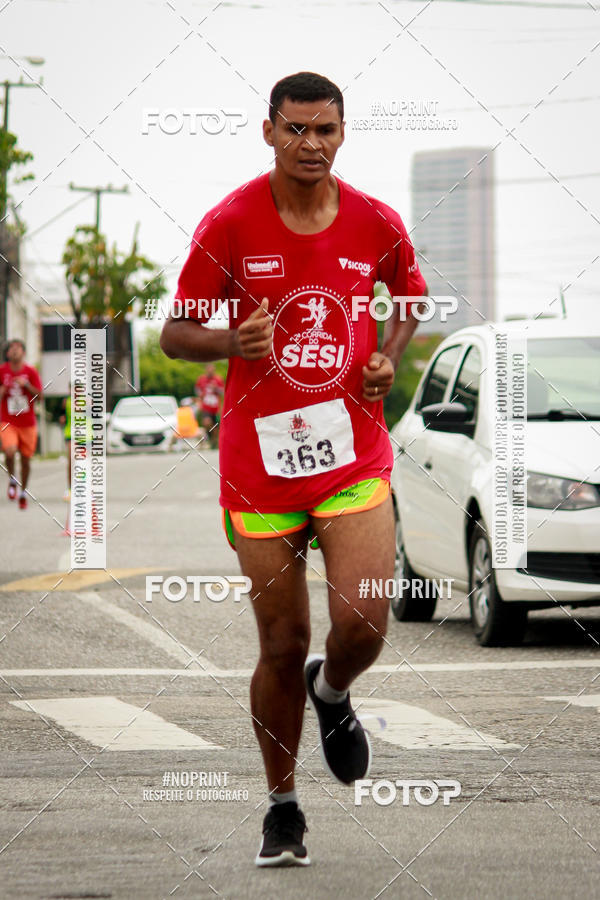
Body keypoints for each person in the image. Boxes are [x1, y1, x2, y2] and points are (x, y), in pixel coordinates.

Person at [161, 71, 427, 867]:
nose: (312, 145)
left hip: (351, 453)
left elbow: (407, 297)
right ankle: (283, 809)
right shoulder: (232, 223)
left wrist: (384, 354)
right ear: (269, 131)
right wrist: (228, 343)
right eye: (297, 130)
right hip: (260, 467)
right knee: (283, 641)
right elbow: (176, 333)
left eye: (327, 131)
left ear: (342, 134)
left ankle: (335, 692)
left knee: (364, 621)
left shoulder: (376, 221)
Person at [0, 339, 43, 510]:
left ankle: (23, 492)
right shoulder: (2, 371)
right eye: (11, 348)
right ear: (8, 353)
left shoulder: (30, 372)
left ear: (23, 352)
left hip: (27, 423)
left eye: (18, 348)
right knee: (9, 452)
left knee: (26, 460)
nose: (14, 351)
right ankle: (12, 479)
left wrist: (27, 385)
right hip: (8, 421)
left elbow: (40, 396)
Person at [194, 363, 224, 447]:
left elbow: (223, 391)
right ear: (206, 369)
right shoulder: (201, 379)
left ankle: (214, 441)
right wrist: (200, 395)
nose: (210, 371)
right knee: (207, 423)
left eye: (212, 369)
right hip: (206, 407)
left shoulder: (218, 379)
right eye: (209, 369)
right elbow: (197, 390)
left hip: (216, 408)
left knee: (216, 426)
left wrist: (216, 389)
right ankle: (211, 439)